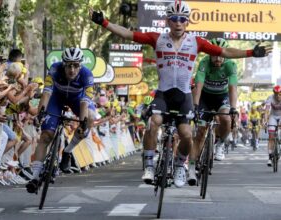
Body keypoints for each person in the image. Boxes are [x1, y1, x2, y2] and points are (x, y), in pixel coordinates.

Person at [89, 1, 272, 187]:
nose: (178, 23)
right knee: (154, 122)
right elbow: (128, 34)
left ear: (187, 22)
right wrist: (104, 23)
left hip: (184, 96)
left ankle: (179, 165)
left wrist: (250, 53)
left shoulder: (196, 42)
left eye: (182, 19)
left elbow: (224, 51)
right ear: (167, 21)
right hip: (163, 94)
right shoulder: (157, 38)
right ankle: (150, 165)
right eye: (174, 19)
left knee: (186, 134)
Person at [26, 47, 95, 193]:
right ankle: (35, 177)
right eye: (68, 65)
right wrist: (40, 114)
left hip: (77, 100)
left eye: (76, 65)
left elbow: (85, 102)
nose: (72, 69)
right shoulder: (55, 69)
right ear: (63, 64)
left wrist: (82, 122)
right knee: (45, 136)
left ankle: (67, 152)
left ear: (80, 65)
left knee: (90, 118)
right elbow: (46, 94)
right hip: (57, 99)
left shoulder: (87, 75)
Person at [189, 38, 238, 185]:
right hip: (204, 97)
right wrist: (196, 106)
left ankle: (221, 143)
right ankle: (191, 169)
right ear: (210, 54)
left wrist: (233, 108)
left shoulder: (230, 64)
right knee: (199, 133)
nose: (218, 58)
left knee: (226, 120)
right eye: (214, 55)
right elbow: (198, 85)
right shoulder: (204, 63)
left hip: (221, 98)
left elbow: (232, 88)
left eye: (221, 55)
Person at [264, 85, 281, 167]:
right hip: (273, 116)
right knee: (271, 136)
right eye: (276, 94)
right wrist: (265, 120)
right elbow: (267, 111)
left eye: (280, 94)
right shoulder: (270, 98)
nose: (278, 95)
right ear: (274, 93)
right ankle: (270, 156)